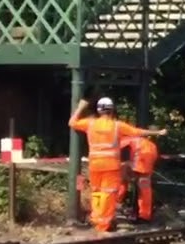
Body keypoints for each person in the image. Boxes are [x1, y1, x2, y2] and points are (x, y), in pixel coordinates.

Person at [68, 97, 167, 233]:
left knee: (96, 191)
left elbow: (72, 122)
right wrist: (157, 132)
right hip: (111, 165)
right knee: (108, 194)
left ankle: (97, 219)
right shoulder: (117, 126)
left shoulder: (89, 124)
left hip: (95, 164)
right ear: (112, 110)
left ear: (98, 110)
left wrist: (81, 107)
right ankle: (104, 224)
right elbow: (138, 132)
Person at [121, 135, 160, 223]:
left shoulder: (124, 141)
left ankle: (131, 210)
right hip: (147, 162)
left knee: (128, 184)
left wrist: (126, 174)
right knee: (144, 188)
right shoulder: (149, 143)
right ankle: (144, 215)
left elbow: (123, 161)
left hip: (140, 160)